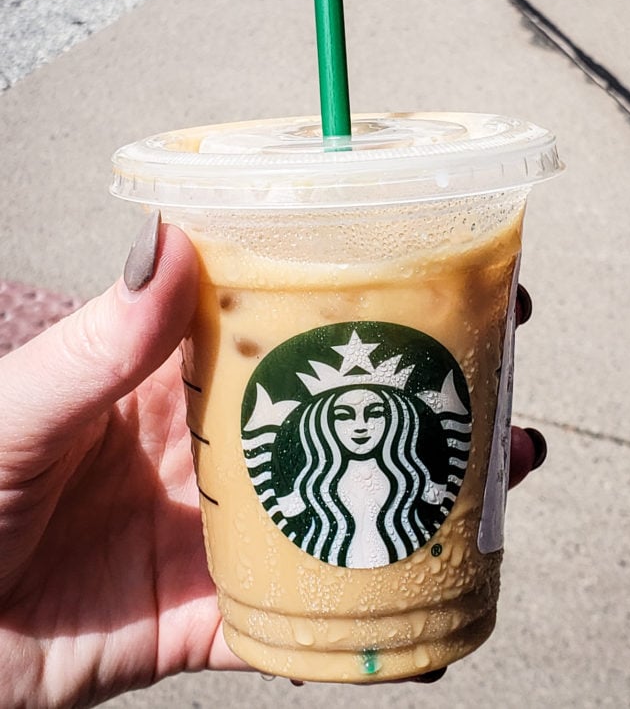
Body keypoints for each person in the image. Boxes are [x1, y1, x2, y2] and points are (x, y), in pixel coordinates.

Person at [0, 216, 547, 708]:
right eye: (342, 414)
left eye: (375, 411)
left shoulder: (411, 490)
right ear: (317, 424)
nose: (360, 425)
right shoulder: (312, 491)